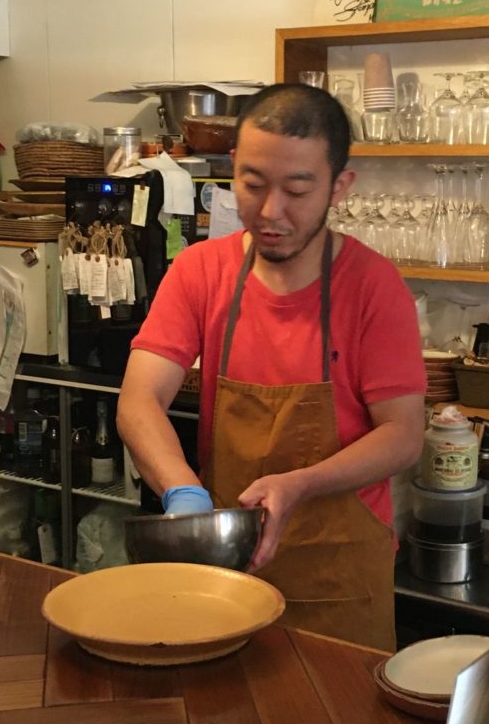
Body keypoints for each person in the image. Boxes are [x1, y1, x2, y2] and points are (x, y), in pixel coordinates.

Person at [117, 83, 426, 652]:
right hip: (227, 570)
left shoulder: (374, 287)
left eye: (298, 190)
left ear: (340, 187)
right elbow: (139, 399)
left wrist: (300, 485)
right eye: (253, 185)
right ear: (233, 168)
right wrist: (183, 490)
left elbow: (403, 435)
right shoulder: (199, 271)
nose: (270, 211)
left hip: (340, 583)